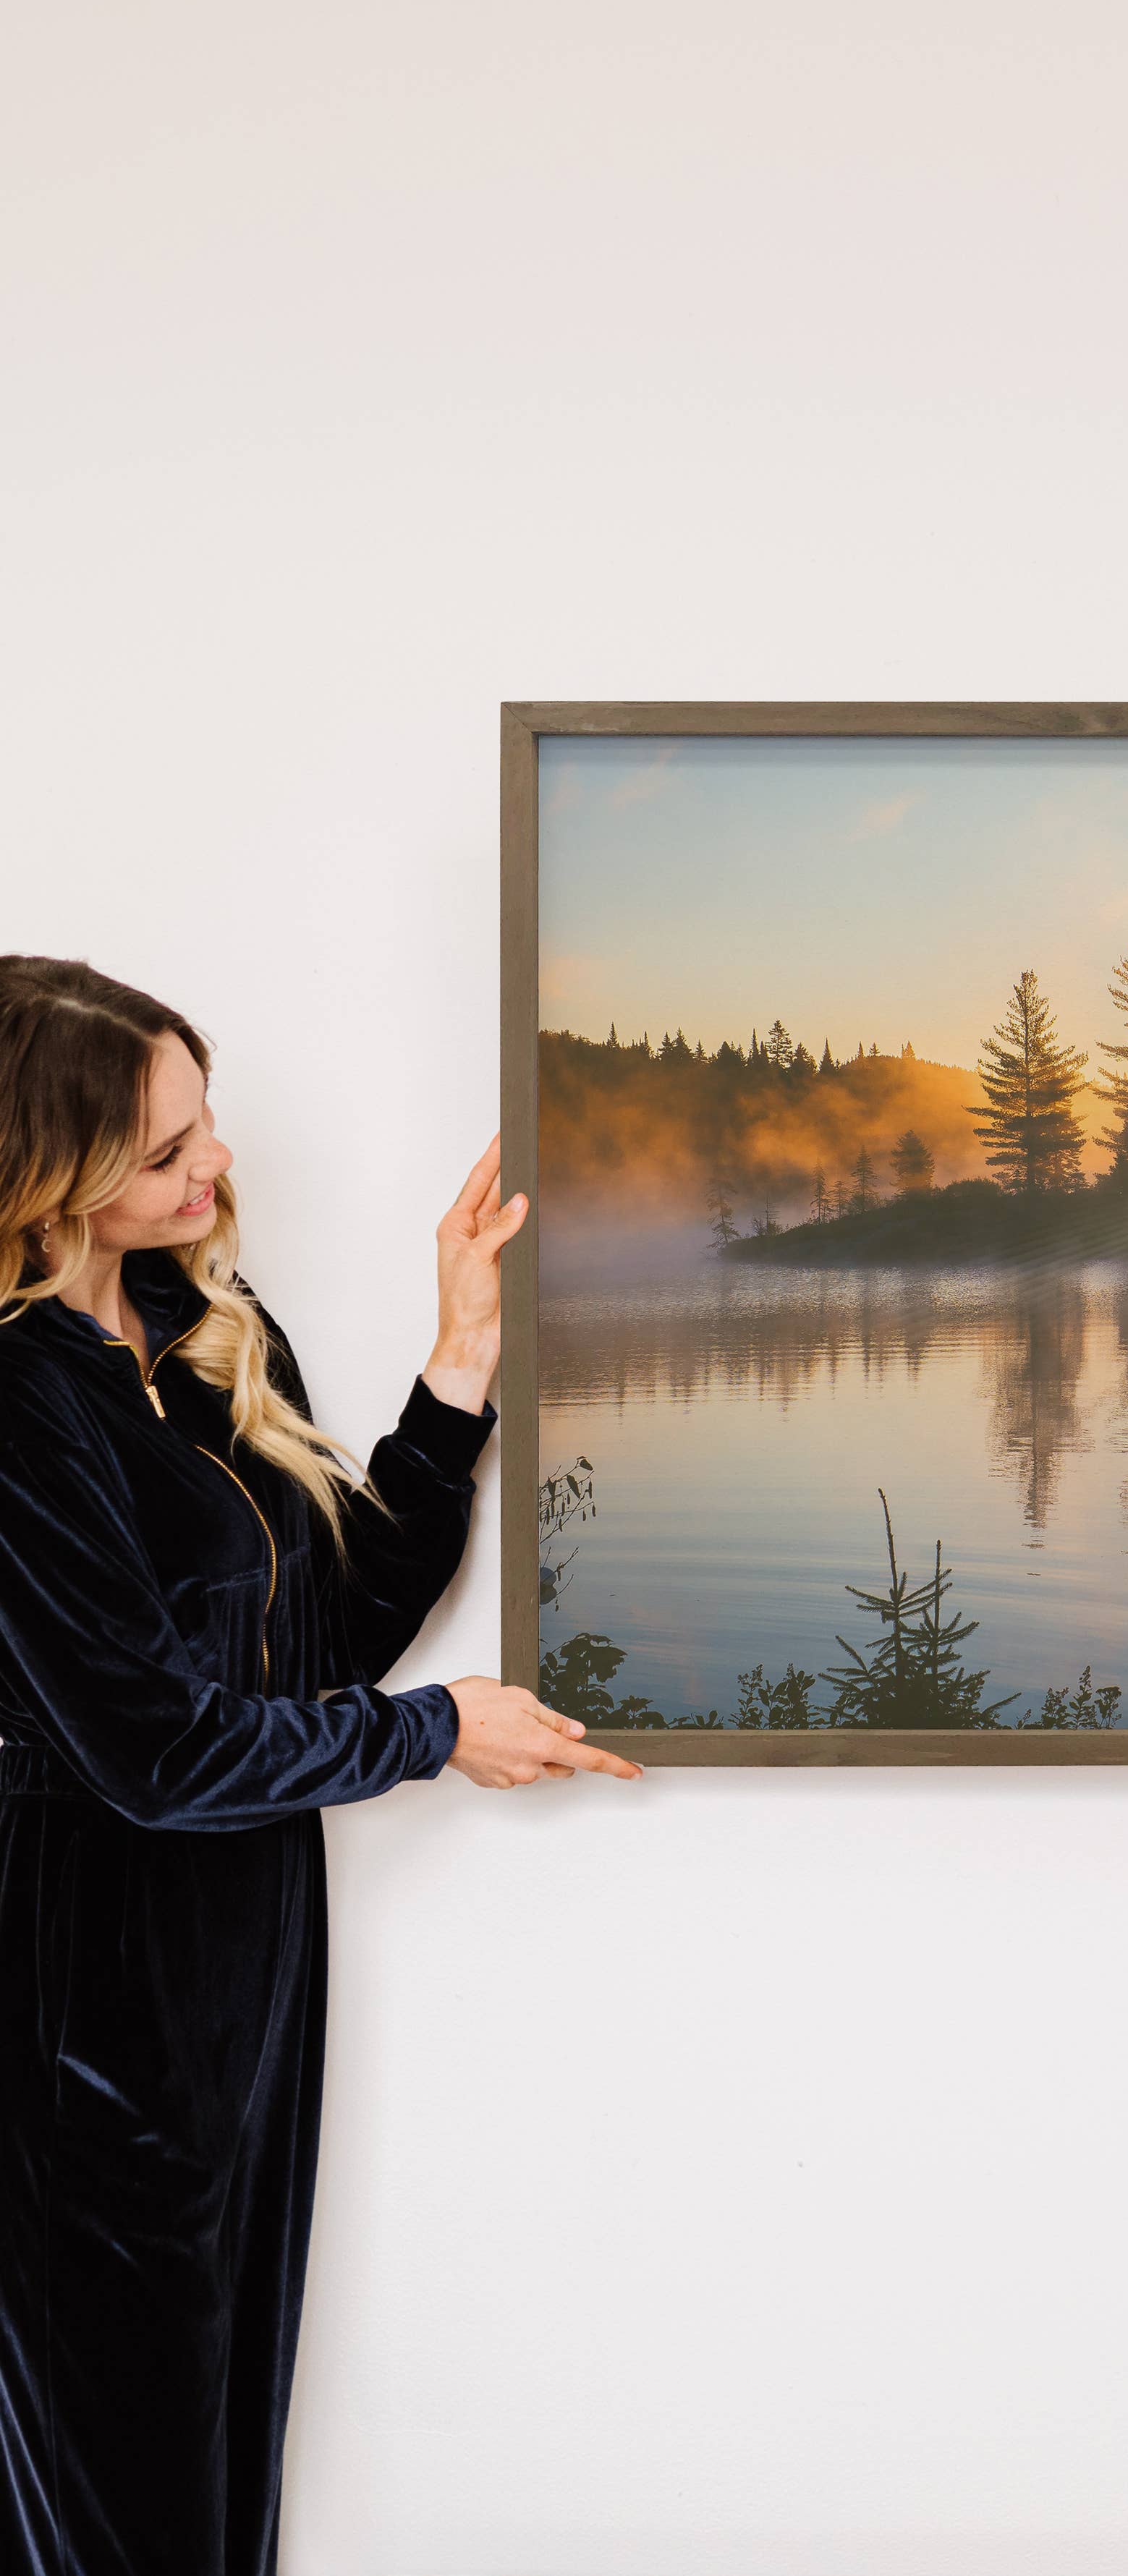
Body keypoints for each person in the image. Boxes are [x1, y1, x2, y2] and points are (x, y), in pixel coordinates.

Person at [0, 954, 642, 2576]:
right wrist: (437, 1736)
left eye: (205, 1121)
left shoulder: (198, 1321)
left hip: (241, 1975)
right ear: (44, 1175)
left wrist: (463, 1358)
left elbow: (330, 1629)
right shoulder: (15, 1403)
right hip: (74, 2002)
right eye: (166, 1152)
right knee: (115, 2497)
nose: (215, 1167)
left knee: (215, 2464)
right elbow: (150, 1751)